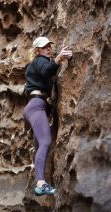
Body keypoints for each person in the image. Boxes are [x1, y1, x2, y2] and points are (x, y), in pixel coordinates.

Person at [23, 36, 72, 196]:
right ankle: (41, 184)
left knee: (39, 147)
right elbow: (46, 69)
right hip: (36, 106)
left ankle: (39, 183)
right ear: (38, 51)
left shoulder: (39, 63)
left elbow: (48, 74)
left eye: (49, 45)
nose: (48, 48)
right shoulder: (39, 61)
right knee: (45, 141)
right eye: (44, 47)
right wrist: (58, 59)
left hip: (37, 106)